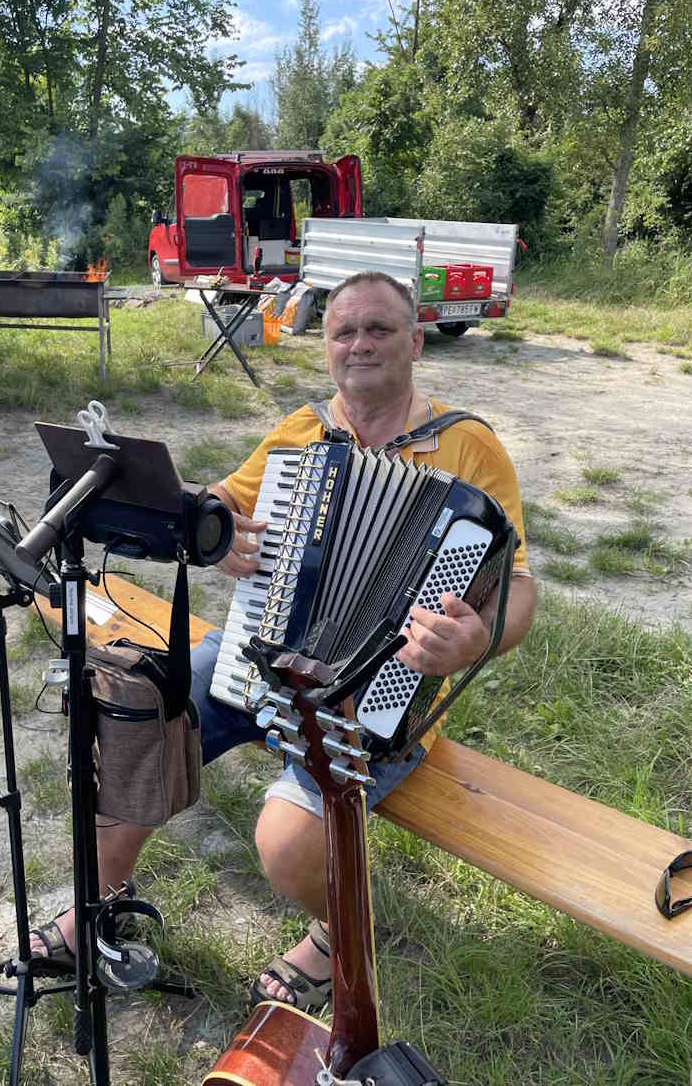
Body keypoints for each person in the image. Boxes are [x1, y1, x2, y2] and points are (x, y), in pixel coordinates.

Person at [28, 271, 537, 1012]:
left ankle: (338, 933)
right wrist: (217, 536)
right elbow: (218, 504)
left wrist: (473, 640)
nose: (359, 344)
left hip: (376, 693)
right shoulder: (301, 432)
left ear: (415, 343)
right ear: (325, 347)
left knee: (285, 844)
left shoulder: (467, 446)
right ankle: (104, 900)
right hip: (257, 651)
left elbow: (517, 588)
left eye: (378, 329)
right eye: (342, 331)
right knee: (132, 721)